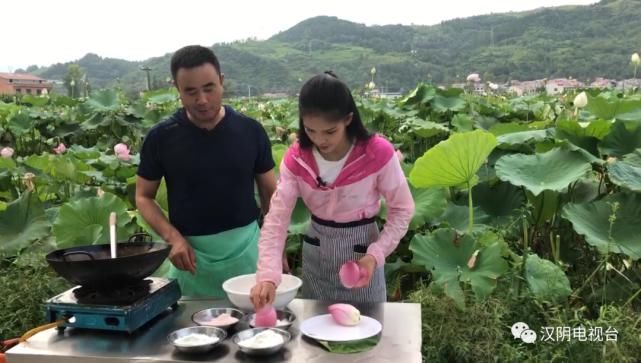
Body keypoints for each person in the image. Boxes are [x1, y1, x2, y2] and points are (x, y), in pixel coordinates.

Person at [250, 72, 414, 308]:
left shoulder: (377, 153)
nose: (320, 140)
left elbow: (402, 210)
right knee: (316, 331)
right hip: (317, 254)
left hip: (363, 254)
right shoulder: (297, 158)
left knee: (364, 329)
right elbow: (276, 219)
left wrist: (374, 255)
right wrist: (267, 275)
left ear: (348, 119)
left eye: (329, 131)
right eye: (310, 130)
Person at [136, 45, 276, 297]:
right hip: (191, 260)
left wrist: (274, 252)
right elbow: (143, 196)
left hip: (248, 253)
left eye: (209, 88)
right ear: (177, 90)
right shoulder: (161, 138)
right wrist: (173, 238)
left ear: (222, 82)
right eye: (190, 91)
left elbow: (270, 193)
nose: (202, 100)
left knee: (256, 329)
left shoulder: (250, 131)